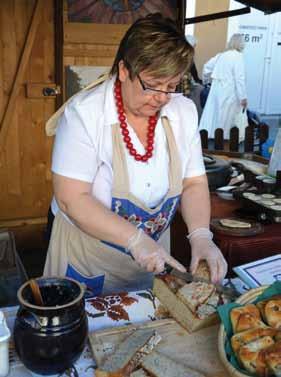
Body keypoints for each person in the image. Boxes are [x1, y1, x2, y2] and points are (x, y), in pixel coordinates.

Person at [44, 13, 227, 295]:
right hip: (88, 257)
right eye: (153, 84)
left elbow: (193, 183)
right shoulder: (85, 114)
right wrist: (134, 240)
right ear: (124, 70)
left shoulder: (182, 112)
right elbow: (72, 199)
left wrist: (201, 235)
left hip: (151, 256)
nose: (162, 97)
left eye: (171, 86)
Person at [199, 33, 247, 139]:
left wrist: (206, 81)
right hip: (230, 90)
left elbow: (206, 67)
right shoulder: (238, 57)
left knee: (213, 113)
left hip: (216, 89)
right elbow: (239, 79)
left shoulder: (221, 55)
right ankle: (222, 140)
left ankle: (208, 137)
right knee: (226, 117)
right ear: (240, 44)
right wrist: (243, 97)